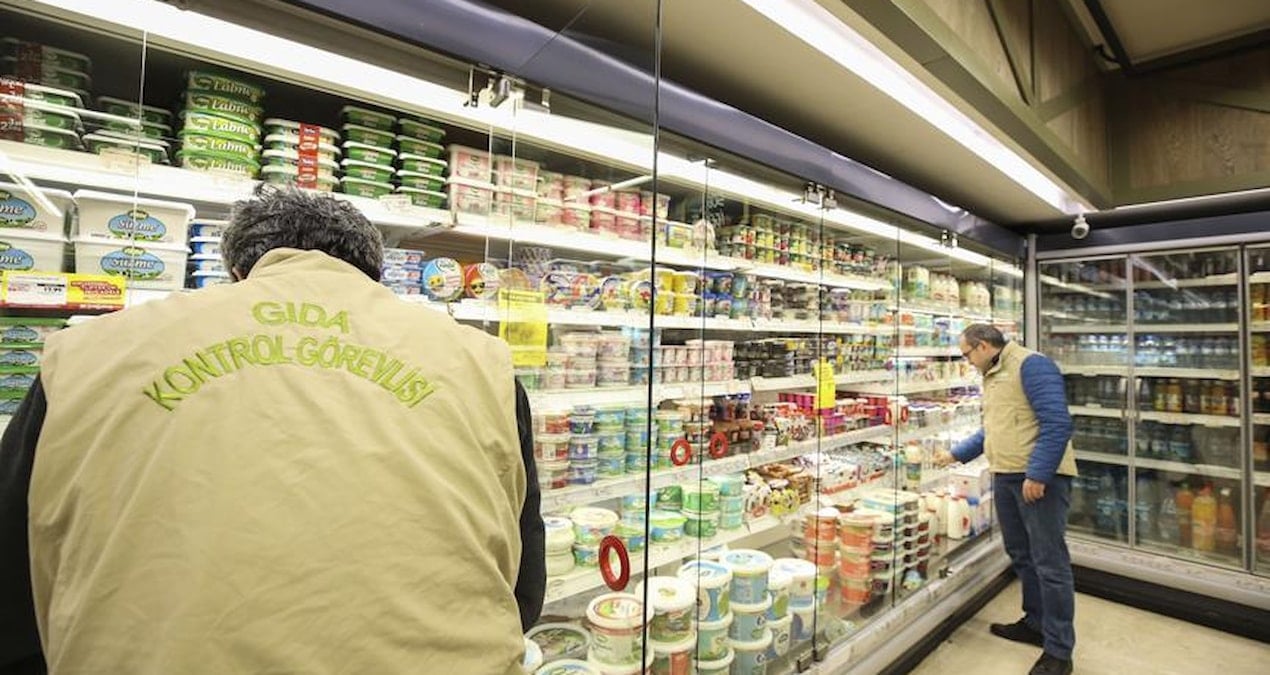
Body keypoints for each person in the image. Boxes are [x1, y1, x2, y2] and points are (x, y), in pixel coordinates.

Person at [0, 185, 544, 674]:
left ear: (238, 273)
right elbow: (522, 588)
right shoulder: (481, 362)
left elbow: (13, 583)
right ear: (372, 277)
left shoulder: (89, 353)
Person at [935, 324, 1077, 675]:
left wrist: (1039, 474)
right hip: (1006, 474)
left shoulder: (1032, 365)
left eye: (967, 354)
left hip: (1037, 480)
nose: (967, 362)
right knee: (1022, 555)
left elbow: (1057, 423)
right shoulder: (993, 374)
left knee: (1050, 563)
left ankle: (1059, 652)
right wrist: (955, 455)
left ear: (983, 346)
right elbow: (995, 428)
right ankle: (1035, 623)